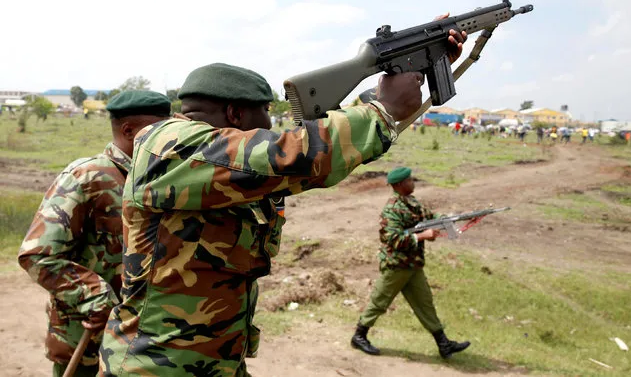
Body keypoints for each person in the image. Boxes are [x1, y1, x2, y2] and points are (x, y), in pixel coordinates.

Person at [97, 26, 465, 377]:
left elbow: (317, 153)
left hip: (213, 362)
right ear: (235, 115)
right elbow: (290, 154)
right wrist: (382, 110)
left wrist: (415, 60)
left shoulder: (220, 167)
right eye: (266, 117)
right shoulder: (170, 144)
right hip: (156, 367)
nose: (274, 128)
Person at [17, 91, 172, 377]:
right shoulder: (87, 177)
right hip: (90, 345)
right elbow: (38, 255)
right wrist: (98, 298)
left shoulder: (161, 180)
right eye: (160, 131)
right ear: (129, 130)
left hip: (145, 347)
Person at [351, 167, 470, 359]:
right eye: (408, 180)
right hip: (396, 265)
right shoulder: (392, 209)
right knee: (379, 302)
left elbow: (430, 217)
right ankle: (359, 336)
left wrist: (455, 218)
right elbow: (392, 239)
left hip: (413, 265)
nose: (412, 181)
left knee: (425, 303)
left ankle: (444, 344)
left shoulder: (413, 203)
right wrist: (422, 236)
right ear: (399, 185)